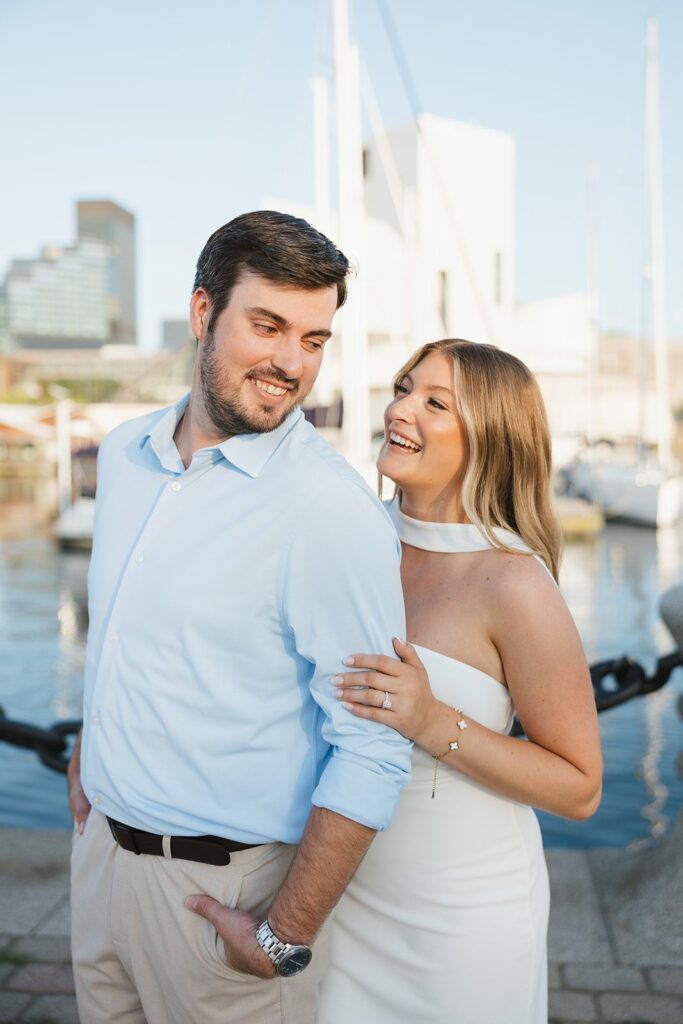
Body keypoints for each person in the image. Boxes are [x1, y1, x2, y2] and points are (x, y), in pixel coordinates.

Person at [67, 210, 412, 1024]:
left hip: (226, 898)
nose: (291, 363)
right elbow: (126, 628)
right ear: (202, 312)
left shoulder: (328, 510)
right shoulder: (123, 454)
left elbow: (372, 745)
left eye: (313, 339)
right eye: (267, 326)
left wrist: (283, 936)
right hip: (100, 866)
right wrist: (92, 749)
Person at [317, 339, 603, 1024]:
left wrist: (430, 720)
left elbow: (580, 787)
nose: (400, 409)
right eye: (403, 388)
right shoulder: (351, 540)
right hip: (335, 899)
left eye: (434, 403)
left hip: (457, 923)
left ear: (488, 437)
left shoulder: (513, 582)